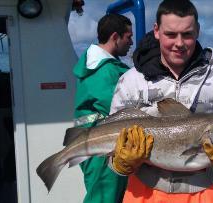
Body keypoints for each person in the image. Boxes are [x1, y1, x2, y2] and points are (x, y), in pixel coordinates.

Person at [110, 0, 213, 202]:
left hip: (209, 190)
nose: (179, 43)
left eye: (187, 34)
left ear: (198, 31)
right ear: (156, 31)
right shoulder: (131, 81)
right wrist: (122, 163)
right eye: (171, 34)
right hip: (145, 192)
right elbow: (112, 159)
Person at [73, 13, 133, 203]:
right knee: (103, 198)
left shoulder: (95, 65)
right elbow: (118, 108)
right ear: (115, 37)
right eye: (128, 37)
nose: (131, 42)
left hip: (93, 141)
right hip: (101, 148)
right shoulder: (105, 71)